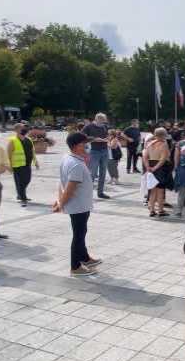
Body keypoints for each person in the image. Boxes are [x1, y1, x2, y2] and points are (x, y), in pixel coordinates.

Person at [52, 132, 101, 276]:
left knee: (81, 232)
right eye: (84, 143)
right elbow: (69, 188)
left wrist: (59, 200)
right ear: (77, 145)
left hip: (79, 205)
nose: (87, 146)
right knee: (78, 235)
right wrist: (61, 204)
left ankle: (85, 258)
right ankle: (75, 267)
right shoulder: (76, 164)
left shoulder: (68, 158)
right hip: (78, 206)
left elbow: (61, 183)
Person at [7, 123, 40, 207]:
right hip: (17, 165)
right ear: (17, 130)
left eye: (24, 128)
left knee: (27, 180)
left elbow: (32, 152)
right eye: (22, 128)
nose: (24, 129)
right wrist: (9, 166)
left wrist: (35, 162)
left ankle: (20, 194)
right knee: (21, 182)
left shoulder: (28, 139)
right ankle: (23, 198)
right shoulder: (12, 140)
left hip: (27, 164)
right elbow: (9, 154)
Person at [144, 127, 172, 217]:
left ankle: (152, 210)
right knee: (160, 191)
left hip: (150, 166)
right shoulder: (164, 144)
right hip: (160, 168)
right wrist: (156, 167)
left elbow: (145, 156)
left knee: (152, 191)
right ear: (164, 135)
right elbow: (163, 158)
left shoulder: (148, 144)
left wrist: (148, 167)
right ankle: (160, 210)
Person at [83, 112, 111, 199]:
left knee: (103, 173)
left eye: (104, 121)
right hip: (94, 151)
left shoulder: (104, 126)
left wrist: (108, 138)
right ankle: (87, 193)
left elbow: (107, 135)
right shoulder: (88, 127)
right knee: (92, 173)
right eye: (102, 120)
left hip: (104, 150)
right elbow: (81, 137)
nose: (103, 122)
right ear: (97, 119)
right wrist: (94, 139)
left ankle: (100, 192)